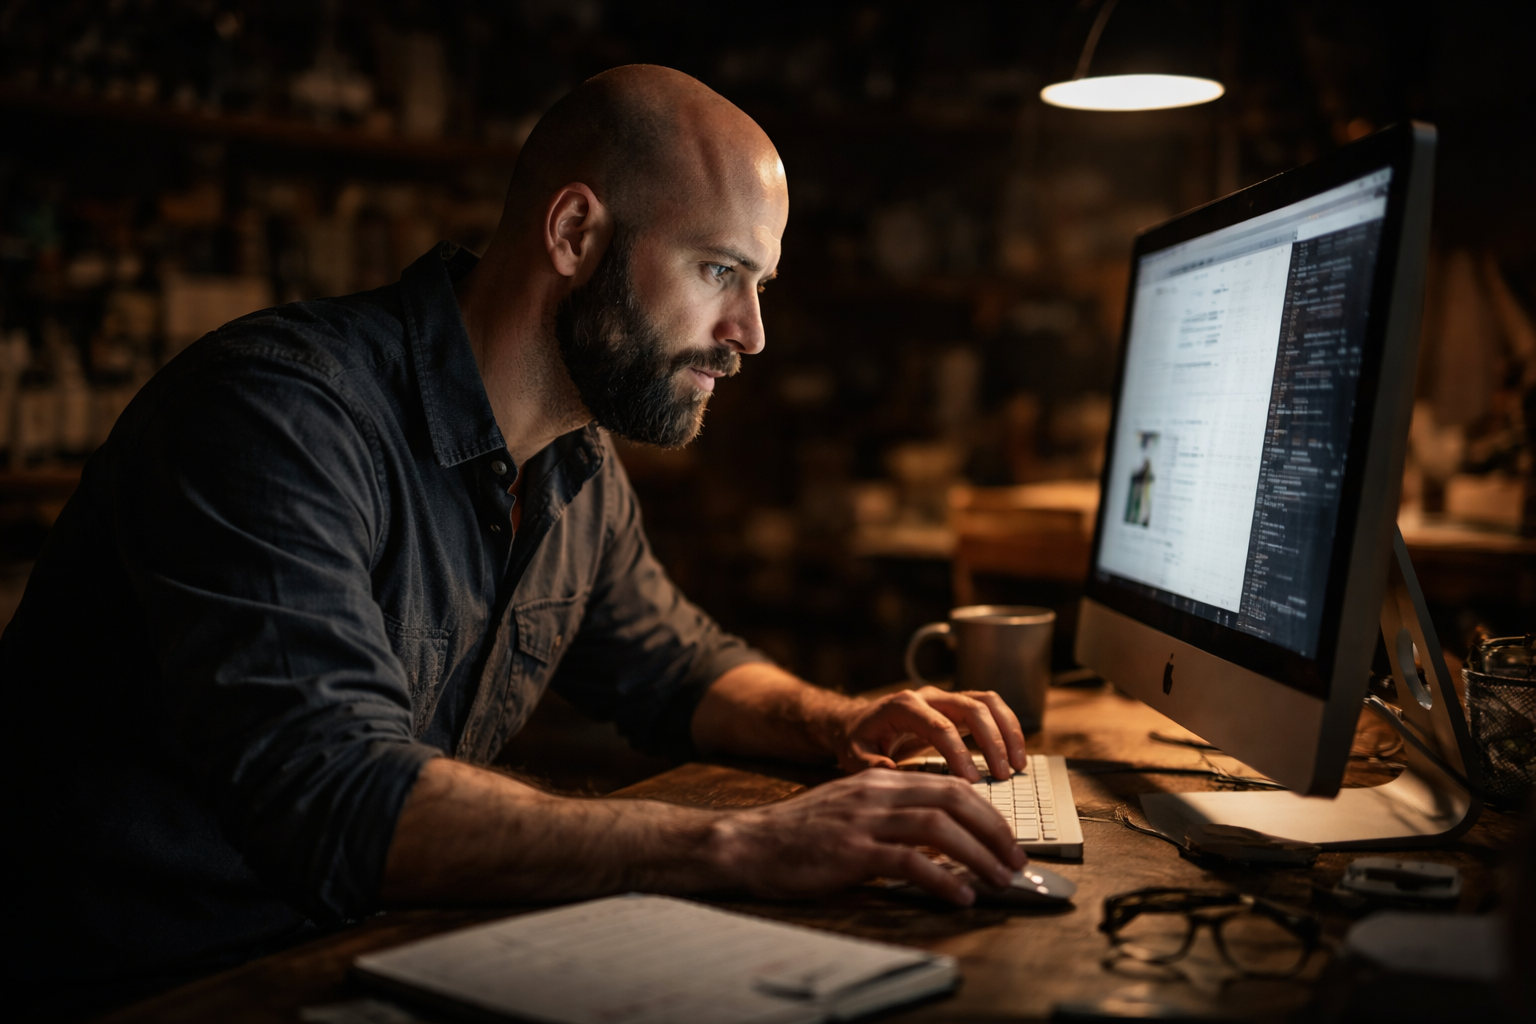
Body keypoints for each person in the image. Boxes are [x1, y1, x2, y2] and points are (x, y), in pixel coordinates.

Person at [3, 65, 1028, 1016]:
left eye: (760, 284)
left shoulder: (575, 461)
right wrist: (742, 843)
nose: (749, 333)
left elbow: (676, 666)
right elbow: (337, 798)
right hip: (143, 989)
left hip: (356, 959)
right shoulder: (278, 415)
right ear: (576, 234)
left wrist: (842, 724)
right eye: (720, 269)